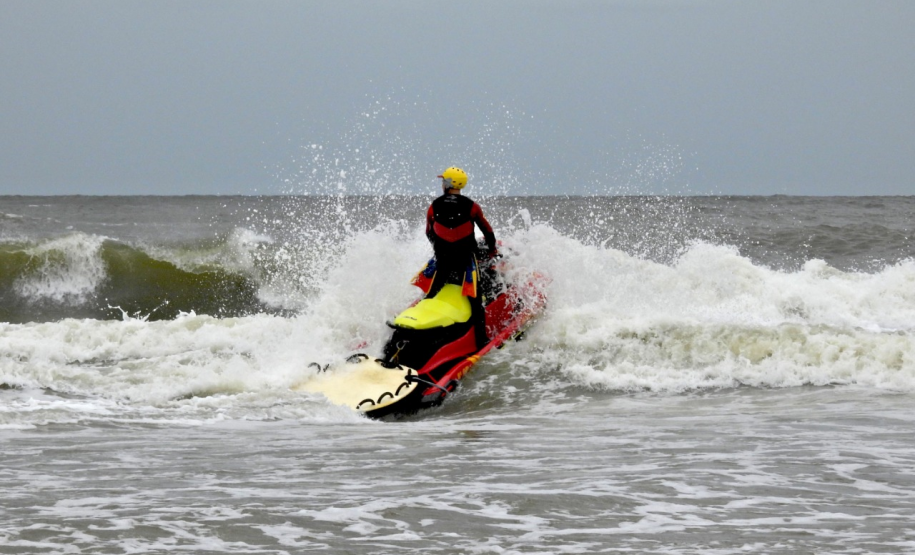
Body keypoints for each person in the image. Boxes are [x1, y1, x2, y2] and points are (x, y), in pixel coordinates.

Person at [419, 166, 497, 347]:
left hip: (444, 261)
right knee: (476, 302)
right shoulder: (472, 206)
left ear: (447, 184)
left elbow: (429, 233)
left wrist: (440, 249)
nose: (441, 184)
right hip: (466, 261)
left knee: (432, 292)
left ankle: (422, 323)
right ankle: (481, 341)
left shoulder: (434, 206)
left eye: (443, 181)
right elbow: (488, 231)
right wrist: (492, 250)